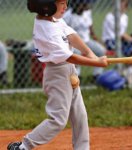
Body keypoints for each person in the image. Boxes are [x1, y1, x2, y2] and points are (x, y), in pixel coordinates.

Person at [7, 0, 108, 150]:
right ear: (47, 5)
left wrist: (90, 53)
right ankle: (24, 146)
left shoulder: (54, 20)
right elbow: (69, 57)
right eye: (62, 3)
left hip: (69, 70)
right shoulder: (45, 30)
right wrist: (96, 63)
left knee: (79, 115)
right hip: (57, 74)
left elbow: (71, 35)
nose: (66, 7)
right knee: (58, 120)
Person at [102, 0, 132, 85]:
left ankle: (126, 71)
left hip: (122, 41)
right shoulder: (110, 17)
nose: (123, 6)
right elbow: (121, 35)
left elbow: (124, 36)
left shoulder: (125, 17)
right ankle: (125, 73)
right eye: (121, 4)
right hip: (111, 41)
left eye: (125, 5)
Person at [64, 0, 106, 80]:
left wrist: (97, 40)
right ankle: (76, 76)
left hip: (87, 41)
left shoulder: (87, 13)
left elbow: (91, 29)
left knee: (101, 50)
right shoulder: (68, 16)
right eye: (85, 4)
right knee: (77, 53)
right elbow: (63, 32)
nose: (87, 6)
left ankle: (96, 75)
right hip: (74, 43)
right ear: (78, 5)